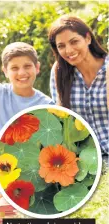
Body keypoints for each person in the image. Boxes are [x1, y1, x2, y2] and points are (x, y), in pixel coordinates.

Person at [48, 15, 108, 160]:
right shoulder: (59, 72)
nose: (68, 50)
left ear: (88, 38)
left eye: (74, 41)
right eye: (61, 46)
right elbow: (62, 120)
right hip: (86, 160)